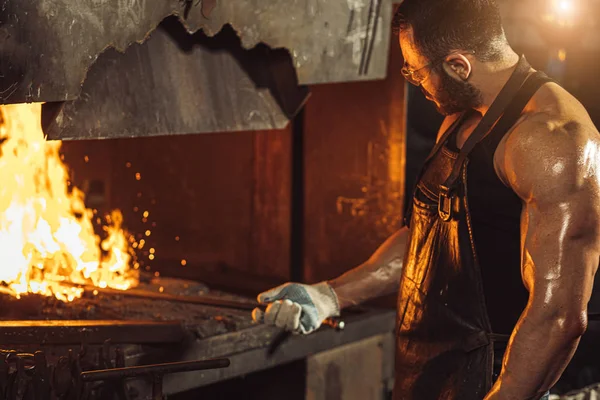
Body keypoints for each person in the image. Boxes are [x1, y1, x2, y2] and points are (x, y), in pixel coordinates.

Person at [252, 0, 600, 398]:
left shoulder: (554, 142)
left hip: (510, 380)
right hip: (441, 371)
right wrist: (329, 295)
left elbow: (558, 316)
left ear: (457, 66)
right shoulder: (464, 117)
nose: (414, 82)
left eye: (416, 71)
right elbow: (430, 235)